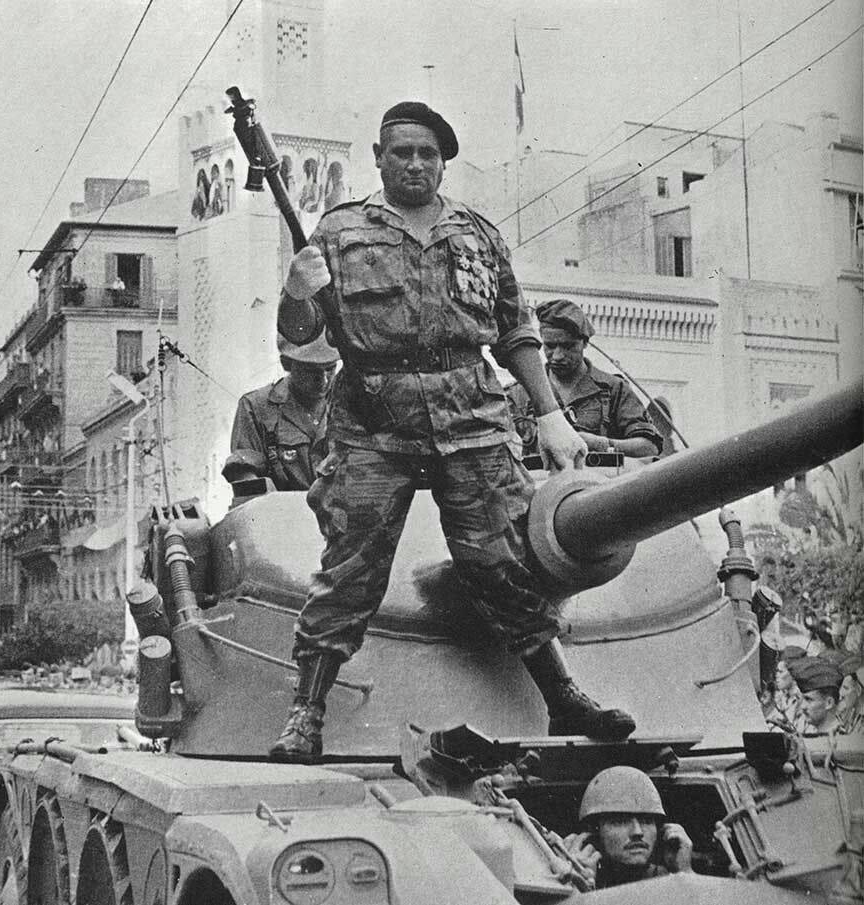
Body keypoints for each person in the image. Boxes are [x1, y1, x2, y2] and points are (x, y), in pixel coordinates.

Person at [272, 100, 635, 762]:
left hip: (469, 412)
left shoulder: (478, 235)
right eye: (402, 152)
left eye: (428, 154)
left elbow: (515, 330)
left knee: (502, 557)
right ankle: (306, 713)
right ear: (379, 158)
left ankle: (561, 696)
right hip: (372, 420)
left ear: (442, 164)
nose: (415, 164)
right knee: (350, 569)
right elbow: (301, 333)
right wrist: (296, 291)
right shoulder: (338, 232)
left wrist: (550, 414)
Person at [506, 299, 662, 460]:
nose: (558, 356)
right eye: (550, 346)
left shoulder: (614, 389)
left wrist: (600, 444)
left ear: (585, 342)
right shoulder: (519, 393)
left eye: (568, 346)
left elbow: (649, 447)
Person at [221, 331, 339, 493]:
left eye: (330, 369)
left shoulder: (350, 403)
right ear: (286, 364)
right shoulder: (256, 407)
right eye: (311, 371)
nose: (323, 380)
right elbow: (244, 472)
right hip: (282, 506)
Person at [566, 766, 694, 889]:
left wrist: (685, 874)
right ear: (593, 833)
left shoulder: (670, 881)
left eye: (647, 821)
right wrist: (578, 886)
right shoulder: (570, 880)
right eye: (620, 821)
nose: (638, 832)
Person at [789, 656, 845, 735]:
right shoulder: (821, 733)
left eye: (808, 699)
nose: (802, 706)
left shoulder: (839, 739)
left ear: (829, 703)